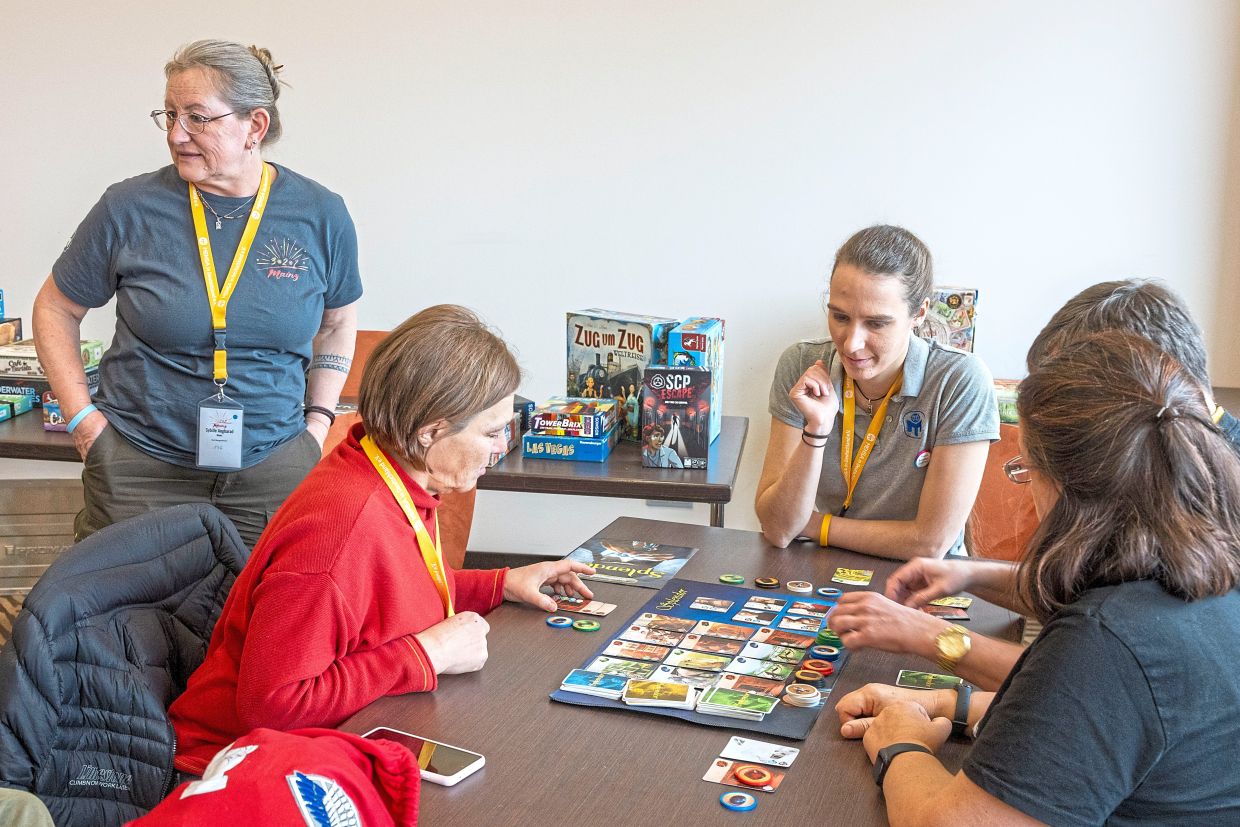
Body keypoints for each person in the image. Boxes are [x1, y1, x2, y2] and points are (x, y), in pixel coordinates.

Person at [169, 305, 595, 775]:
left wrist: (501, 584)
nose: (502, 446)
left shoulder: (387, 467)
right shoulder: (340, 533)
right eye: (493, 432)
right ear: (430, 430)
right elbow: (271, 706)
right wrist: (426, 654)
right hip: (235, 768)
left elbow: (391, 598)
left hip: (330, 739)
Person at [836, 330, 1240, 825]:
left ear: (1068, 489)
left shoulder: (1106, 639)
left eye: (1023, 469)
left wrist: (900, 744)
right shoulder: (1211, 569)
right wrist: (951, 703)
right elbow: (1098, 728)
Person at [829, 278, 1240, 690]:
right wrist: (972, 574)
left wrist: (930, 637)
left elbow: (1092, 681)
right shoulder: (1165, 458)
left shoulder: (1187, 483)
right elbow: (1084, 590)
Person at [32, 39, 361, 549]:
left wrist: (317, 425)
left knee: (258, 617)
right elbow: (55, 307)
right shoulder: (129, 208)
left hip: (272, 468)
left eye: (198, 117)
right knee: (124, 619)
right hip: (139, 465)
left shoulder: (320, 214)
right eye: (169, 115)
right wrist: (82, 421)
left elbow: (337, 324)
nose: (177, 134)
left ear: (255, 126)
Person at [756, 225, 998, 558]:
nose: (852, 343)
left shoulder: (960, 379)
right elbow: (780, 528)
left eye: (876, 323)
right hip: (827, 565)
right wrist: (817, 431)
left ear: (919, 313)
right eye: (840, 316)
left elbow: (929, 544)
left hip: (924, 580)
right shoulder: (801, 363)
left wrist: (816, 526)